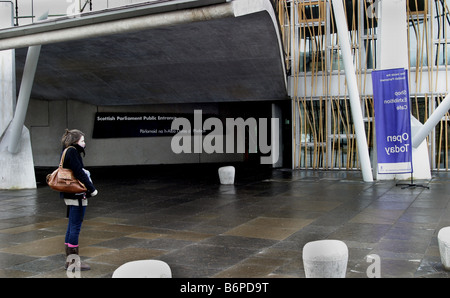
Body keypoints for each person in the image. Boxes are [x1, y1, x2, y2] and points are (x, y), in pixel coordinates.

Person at [60, 129, 98, 271]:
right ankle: (74, 262)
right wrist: (92, 189)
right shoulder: (73, 152)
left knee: (71, 226)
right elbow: (79, 173)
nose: (84, 143)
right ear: (76, 142)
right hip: (76, 195)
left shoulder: (66, 150)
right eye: (82, 140)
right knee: (75, 227)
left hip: (69, 194)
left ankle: (69, 261)